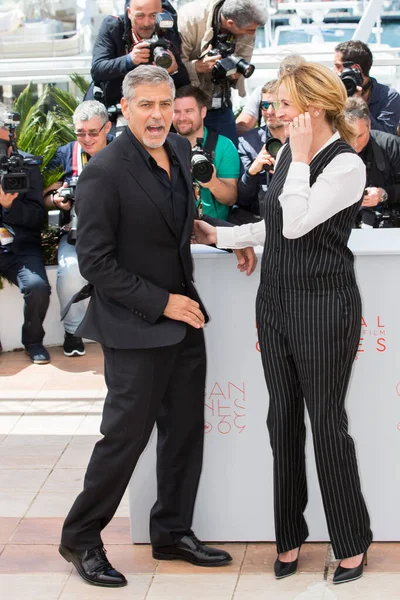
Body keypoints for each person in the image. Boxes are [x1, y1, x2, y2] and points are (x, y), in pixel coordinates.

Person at [58, 65, 256, 588]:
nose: (157, 115)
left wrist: (216, 235)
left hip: (185, 322)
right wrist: (161, 303)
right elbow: (96, 262)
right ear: (125, 108)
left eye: (164, 105)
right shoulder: (104, 171)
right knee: (123, 440)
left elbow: (169, 226)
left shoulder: (177, 159)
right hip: (135, 326)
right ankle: (80, 537)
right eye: (145, 105)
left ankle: (171, 532)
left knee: (185, 433)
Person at [193, 58, 373, 585]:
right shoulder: (289, 160)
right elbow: (274, 228)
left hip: (324, 305)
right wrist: (221, 237)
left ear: (311, 109)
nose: (272, 112)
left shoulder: (344, 165)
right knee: (282, 422)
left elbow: (297, 223)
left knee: (327, 423)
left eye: (284, 104)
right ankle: (289, 537)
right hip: (274, 302)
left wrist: (293, 159)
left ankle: (350, 541)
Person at [44, 101, 113, 357]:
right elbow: (44, 195)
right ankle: (73, 331)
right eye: (79, 132)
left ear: (108, 127)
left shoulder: (124, 150)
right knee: (71, 272)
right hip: (77, 232)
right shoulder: (66, 154)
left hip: (120, 231)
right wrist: (57, 199)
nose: (86, 138)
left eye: (93, 132)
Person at [0, 104, 51, 364]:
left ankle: (33, 341)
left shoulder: (27, 165)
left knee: (38, 287)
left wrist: (9, 205)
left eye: (3, 142)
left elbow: (36, 217)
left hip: (20, 246)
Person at [177, 0, 268, 146]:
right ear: (231, 23)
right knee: (186, 154)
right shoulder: (190, 19)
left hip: (221, 104)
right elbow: (173, 67)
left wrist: (235, 76)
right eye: (251, 30)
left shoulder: (248, 25)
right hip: (187, 106)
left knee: (229, 154)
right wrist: (198, 67)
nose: (253, 34)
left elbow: (244, 60)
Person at [91, 0, 189, 112]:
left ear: (161, 13)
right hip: (120, 107)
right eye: (140, 15)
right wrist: (129, 60)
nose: (146, 23)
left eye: (153, 15)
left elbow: (184, 82)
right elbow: (97, 70)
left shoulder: (166, 31)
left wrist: (174, 70)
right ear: (129, 12)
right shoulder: (114, 26)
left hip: (157, 108)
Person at [173, 85, 240, 220]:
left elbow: (230, 199)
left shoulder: (224, 146)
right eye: (176, 112)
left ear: (203, 112)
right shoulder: (164, 145)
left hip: (213, 230)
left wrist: (212, 182)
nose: (182, 117)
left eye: (189, 111)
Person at [344, 96, 400, 228]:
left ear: (369, 125)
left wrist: (384, 194)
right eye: (349, 136)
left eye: (360, 135)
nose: (355, 144)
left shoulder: (392, 146)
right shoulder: (331, 150)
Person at [237, 79, 286, 219]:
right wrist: (253, 170)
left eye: (275, 105)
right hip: (258, 218)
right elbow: (242, 199)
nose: (269, 112)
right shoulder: (248, 143)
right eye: (265, 105)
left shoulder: (302, 139)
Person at [333, 40, 400, 135]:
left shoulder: (389, 97)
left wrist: (358, 104)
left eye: (338, 66)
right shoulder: (335, 93)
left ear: (355, 68)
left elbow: (385, 137)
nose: (335, 71)